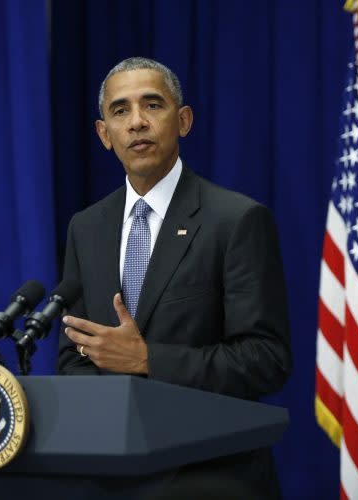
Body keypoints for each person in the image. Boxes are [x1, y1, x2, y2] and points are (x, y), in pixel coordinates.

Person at [57, 57, 291, 498]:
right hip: (114, 478)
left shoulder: (236, 220)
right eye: (120, 111)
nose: (137, 123)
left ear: (183, 121)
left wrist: (148, 359)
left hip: (212, 478)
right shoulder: (85, 228)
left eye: (153, 105)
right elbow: (73, 355)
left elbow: (266, 359)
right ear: (104, 134)